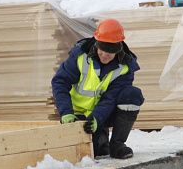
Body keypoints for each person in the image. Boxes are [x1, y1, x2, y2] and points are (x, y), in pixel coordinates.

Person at [51, 19, 144, 159]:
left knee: (132, 95)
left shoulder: (124, 67)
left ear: (118, 49)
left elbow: (110, 98)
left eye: (110, 53)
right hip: (77, 115)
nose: (105, 55)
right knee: (93, 152)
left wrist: (96, 118)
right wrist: (66, 112)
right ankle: (100, 140)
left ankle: (117, 145)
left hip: (103, 114)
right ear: (96, 44)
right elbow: (59, 82)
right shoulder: (80, 56)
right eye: (102, 50)